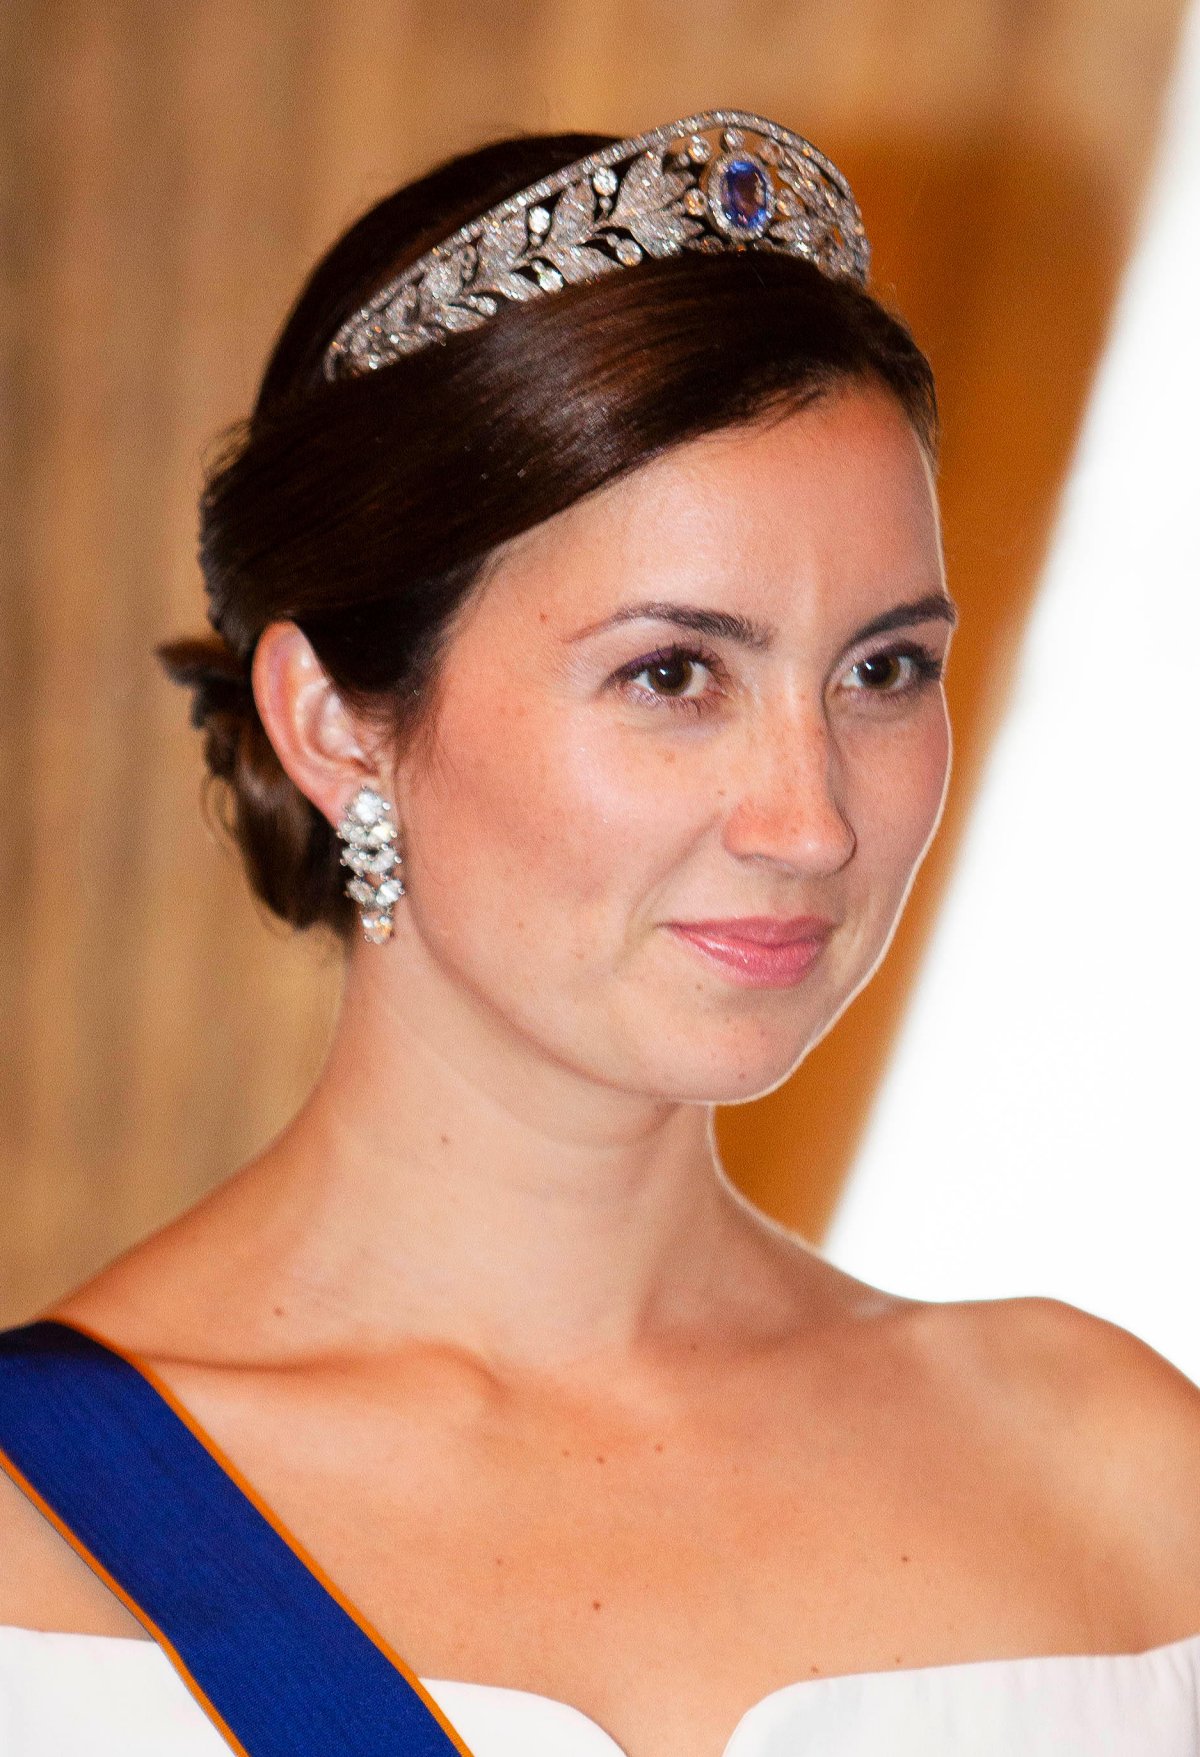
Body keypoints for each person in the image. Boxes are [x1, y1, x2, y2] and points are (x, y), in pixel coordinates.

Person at [1, 110, 1198, 1757]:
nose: (811, 820)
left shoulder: (1117, 1480)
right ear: (336, 721)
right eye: (672, 674)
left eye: (882, 670)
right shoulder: (33, 1541)